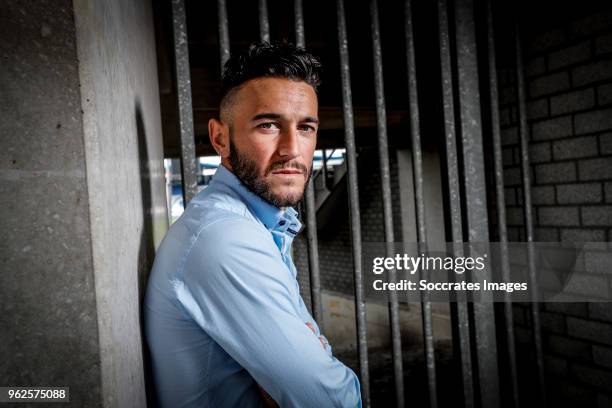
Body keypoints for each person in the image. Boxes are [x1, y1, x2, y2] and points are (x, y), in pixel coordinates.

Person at [144, 42, 362, 408]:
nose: (292, 149)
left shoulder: (259, 225)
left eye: (306, 127)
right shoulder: (225, 238)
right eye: (269, 125)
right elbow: (330, 400)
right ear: (220, 138)